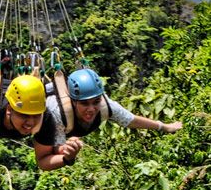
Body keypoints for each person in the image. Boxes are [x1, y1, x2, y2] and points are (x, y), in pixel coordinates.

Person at [33, 68, 183, 170]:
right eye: (84, 104)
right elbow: (43, 161)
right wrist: (67, 158)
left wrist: (165, 126)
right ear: (73, 101)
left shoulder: (105, 106)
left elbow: (130, 120)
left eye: (96, 101)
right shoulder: (55, 114)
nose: (91, 109)